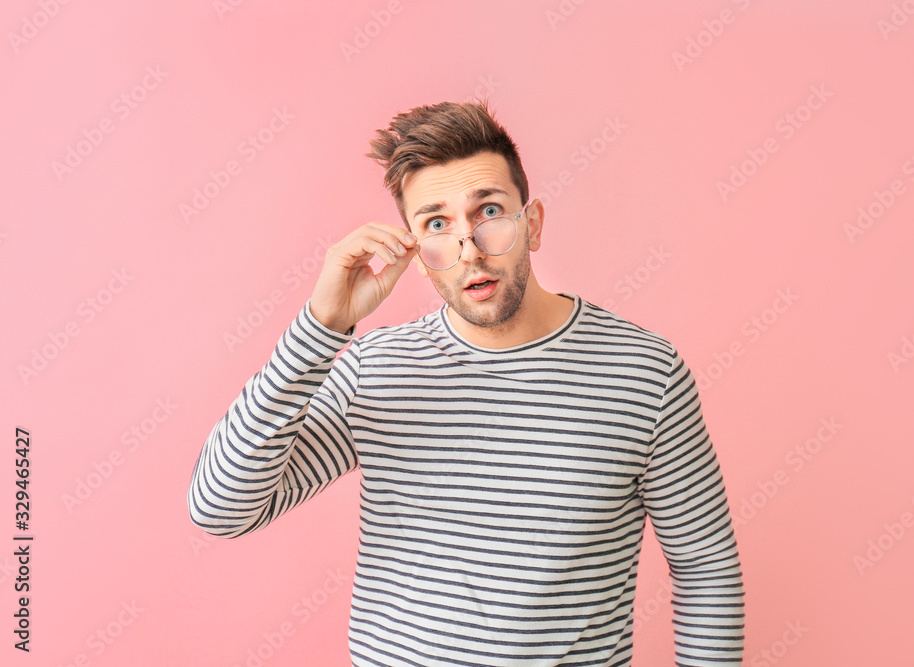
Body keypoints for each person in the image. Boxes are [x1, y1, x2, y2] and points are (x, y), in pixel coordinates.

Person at [188, 100, 745, 666]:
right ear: (417, 253)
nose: (470, 249)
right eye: (437, 224)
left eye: (489, 212)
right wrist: (321, 328)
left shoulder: (644, 373)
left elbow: (706, 567)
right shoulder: (378, 369)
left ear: (532, 224)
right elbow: (220, 508)